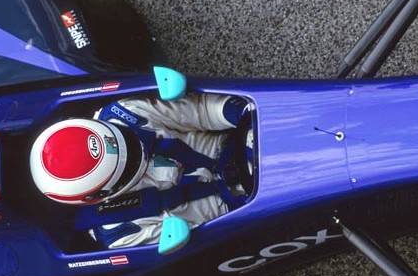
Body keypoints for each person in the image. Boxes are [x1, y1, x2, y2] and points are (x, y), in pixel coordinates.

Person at [29, 93, 252, 248]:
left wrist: (242, 113)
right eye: (129, 165)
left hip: (240, 136)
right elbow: (208, 238)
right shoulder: (120, 233)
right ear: (99, 196)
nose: (139, 153)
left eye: (126, 140)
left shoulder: (125, 113)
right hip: (244, 204)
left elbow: (202, 110)